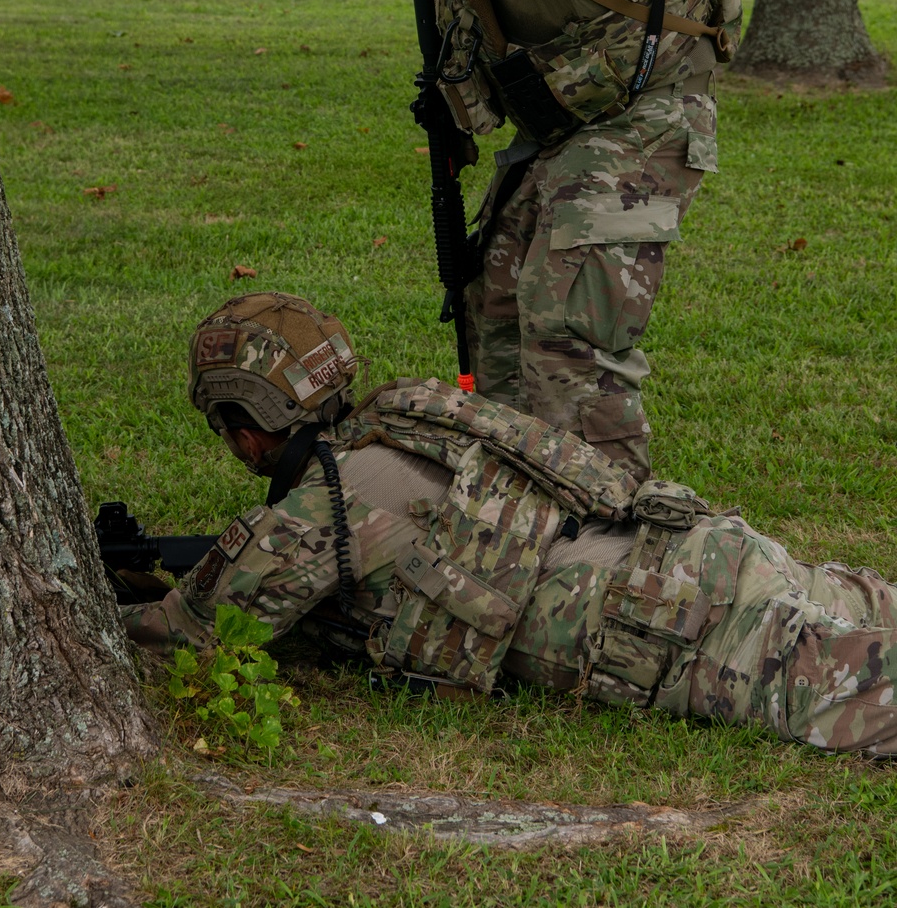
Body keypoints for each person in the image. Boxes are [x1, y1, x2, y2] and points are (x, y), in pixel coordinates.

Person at [123, 292, 897, 758]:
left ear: (247, 428)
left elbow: (184, 635)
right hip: (703, 549)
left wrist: (123, 596)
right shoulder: (403, 423)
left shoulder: (314, 512)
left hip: (681, 628)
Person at [304, 0, 742, 480]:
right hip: (566, 126)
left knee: (567, 334)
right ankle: (518, 505)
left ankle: (613, 529)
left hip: (643, 123)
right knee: (493, 310)